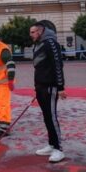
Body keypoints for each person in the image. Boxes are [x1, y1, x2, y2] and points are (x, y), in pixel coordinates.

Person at [29, 22, 66, 163]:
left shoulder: (51, 43)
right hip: (40, 86)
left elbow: (58, 65)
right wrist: (37, 86)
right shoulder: (39, 44)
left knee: (51, 116)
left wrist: (61, 87)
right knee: (46, 116)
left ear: (40, 31)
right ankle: (51, 144)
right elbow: (39, 67)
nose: (30, 35)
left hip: (50, 87)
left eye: (33, 32)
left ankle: (59, 148)